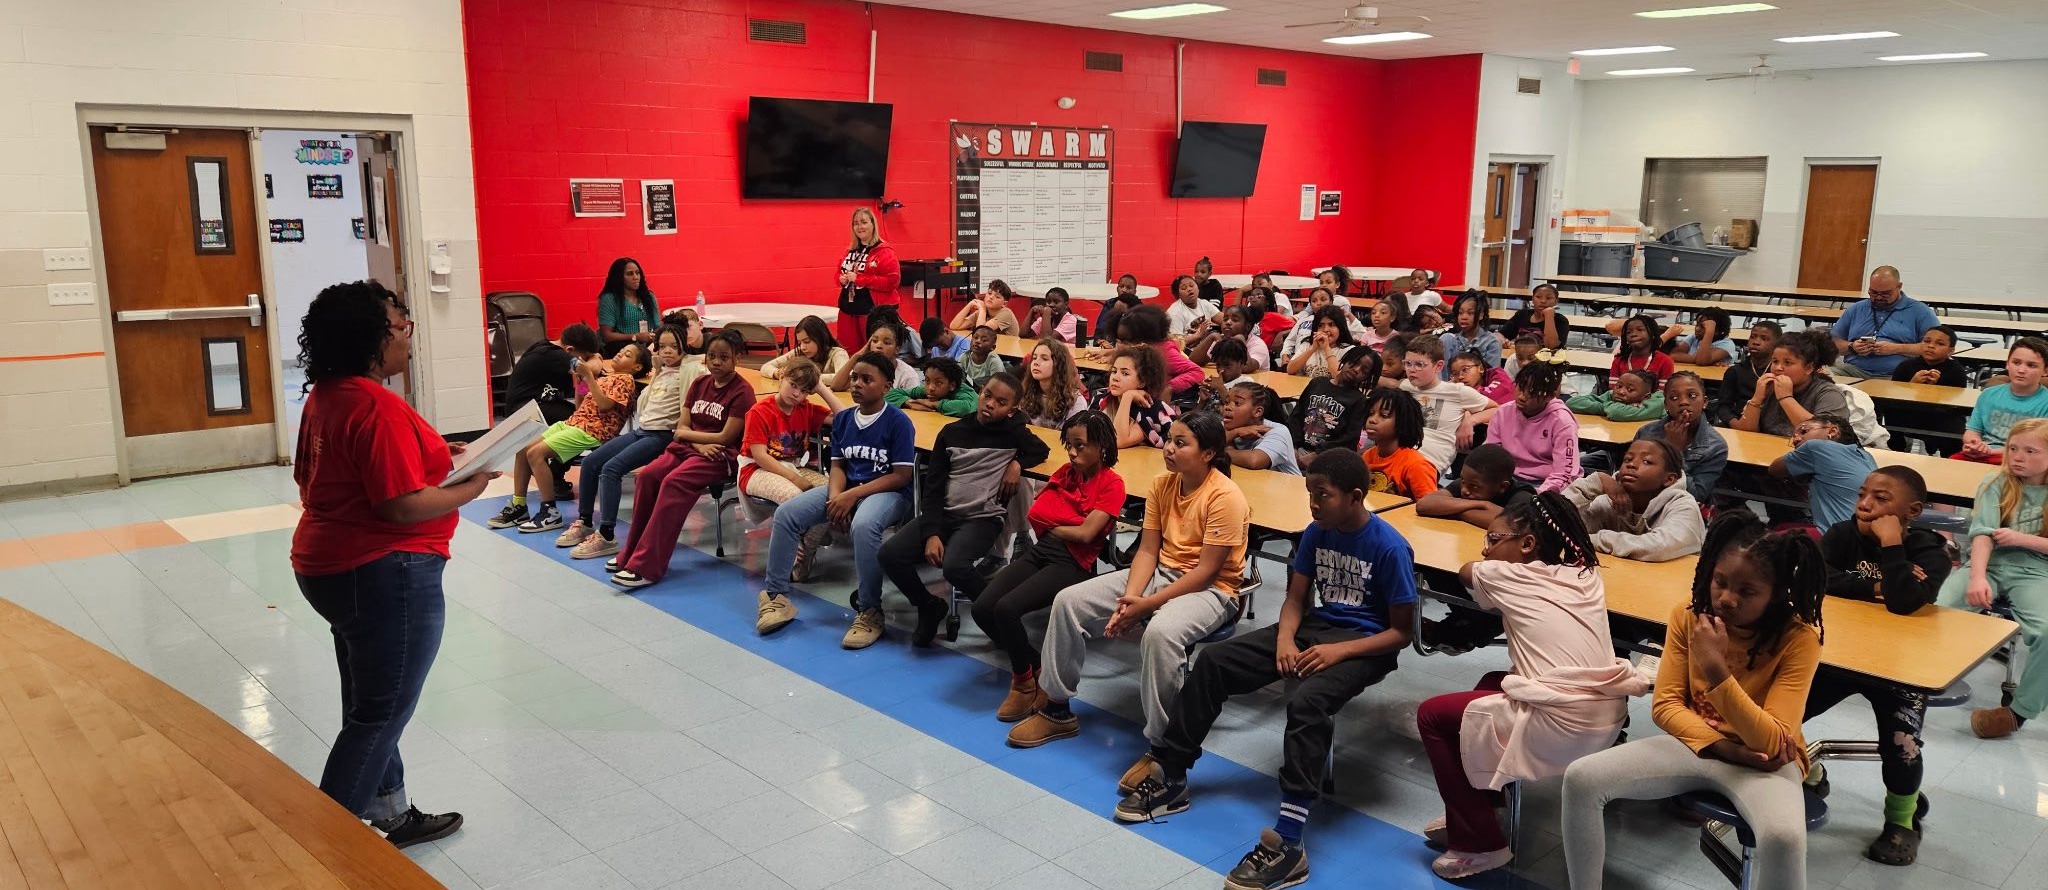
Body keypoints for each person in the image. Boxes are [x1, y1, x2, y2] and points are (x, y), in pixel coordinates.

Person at [1112, 449, 1411, 890]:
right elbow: (1295, 600)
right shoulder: (1316, 532)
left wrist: (1340, 652)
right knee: (1214, 661)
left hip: (1366, 645)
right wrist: (1286, 639)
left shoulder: (1389, 547)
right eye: (1310, 493)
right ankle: (1172, 774)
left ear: (1354, 496)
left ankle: (1289, 841)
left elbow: (1401, 633)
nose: (1313, 503)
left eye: (1323, 495)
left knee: (1308, 703)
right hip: (1314, 629)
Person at [291, 280, 482, 848]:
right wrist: (470, 487)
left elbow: (328, 475)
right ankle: (325, 855)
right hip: (384, 571)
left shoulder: (329, 395)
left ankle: (392, 813)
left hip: (329, 566)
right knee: (380, 714)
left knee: (369, 700)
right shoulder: (376, 406)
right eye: (401, 328)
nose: (408, 338)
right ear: (372, 338)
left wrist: (436, 458)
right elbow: (399, 505)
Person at [1562, 509, 1826, 890]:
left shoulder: (1799, 638)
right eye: (1720, 581)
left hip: (1766, 764)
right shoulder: (1689, 616)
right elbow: (1665, 706)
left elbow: (1772, 741)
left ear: (1776, 594)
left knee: (1784, 838)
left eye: (1748, 592)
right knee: (1581, 778)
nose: (1727, 599)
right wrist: (1724, 748)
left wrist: (1716, 669)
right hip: (1700, 746)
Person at [1007, 413, 1249, 799]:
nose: (1169, 448)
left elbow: (1206, 572)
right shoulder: (1162, 484)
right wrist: (1129, 600)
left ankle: (1163, 749)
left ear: (1208, 454)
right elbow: (1148, 550)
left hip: (1212, 591)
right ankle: (1057, 709)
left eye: (1181, 443)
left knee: (1161, 634)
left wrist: (1146, 605)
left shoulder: (1226, 497)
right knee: (1068, 601)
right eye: (1169, 439)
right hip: (1159, 574)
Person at [1418, 494, 1648, 879]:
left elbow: (1466, 571)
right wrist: (1506, 531)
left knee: (1432, 716)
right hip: (1607, 720)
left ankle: (1480, 845)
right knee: (1490, 685)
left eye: (1493, 540)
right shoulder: (1586, 575)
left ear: (1527, 544)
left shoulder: (1502, 575)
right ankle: (1482, 807)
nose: (1485, 549)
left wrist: (1493, 542)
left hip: (1564, 728)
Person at [1808, 465, 1950, 865]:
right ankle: (1809, 773)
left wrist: (1891, 545)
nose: (1865, 504)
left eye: (1881, 499)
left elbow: (1904, 602)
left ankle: (1902, 820)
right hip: (1839, 656)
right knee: (1777, 712)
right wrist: (1875, 586)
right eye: (1862, 494)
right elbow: (1814, 578)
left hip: (1900, 667)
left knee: (1902, 746)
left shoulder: (1931, 552)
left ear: (1912, 511)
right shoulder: (1842, 535)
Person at [755, 353, 917, 648]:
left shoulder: (898, 422)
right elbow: (839, 466)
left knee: (863, 526)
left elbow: (901, 475)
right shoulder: (844, 420)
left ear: (886, 386)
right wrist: (834, 501)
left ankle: (870, 610)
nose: (857, 384)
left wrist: (849, 497)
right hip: (847, 488)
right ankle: (777, 597)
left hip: (888, 493)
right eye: (854, 378)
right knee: (788, 514)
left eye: (866, 379)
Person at [975, 411, 1126, 721]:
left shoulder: (1112, 484)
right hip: (1043, 549)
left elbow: (1086, 535)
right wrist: (1070, 521)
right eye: (1069, 444)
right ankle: (1035, 666)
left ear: (1101, 446)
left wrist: (1057, 523)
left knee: (1006, 609)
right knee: (982, 608)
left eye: (1080, 445)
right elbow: (1036, 514)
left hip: (1073, 562)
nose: (1072, 452)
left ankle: (1022, 683)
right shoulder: (1066, 473)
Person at [879, 372, 1050, 646]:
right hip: (944, 514)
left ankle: (996, 620)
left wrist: (1017, 463)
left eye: (1001, 402)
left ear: (1012, 410)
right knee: (890, 554)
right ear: (980, 393)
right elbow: (933, 489)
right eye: (987, 395)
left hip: (982, 520)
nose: (990, 404)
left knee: (954, 566)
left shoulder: (1013, 433)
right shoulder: (952, 432)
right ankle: (929, 606)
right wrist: (933, 533)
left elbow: (1041, 450)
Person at [606, 330, 756, 586]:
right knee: (648, 476)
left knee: (673, 482)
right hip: (692, 448)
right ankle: (630, 552)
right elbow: (680, 428)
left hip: (720, 456)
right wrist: (697, 443)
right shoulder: (699, 384)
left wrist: (692, 439)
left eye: (724, 357)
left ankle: (647, 567)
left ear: (737, 358)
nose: (716, 362)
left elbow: (725, 437)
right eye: (712, 356)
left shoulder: (743, 392)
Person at [1939, 417, 2048, 739]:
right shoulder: (1995, 482)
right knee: (1938, 611)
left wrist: (2022, 539)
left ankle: (2019, 712)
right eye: (2013, 448)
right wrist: (1977, 578)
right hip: (1989, 564)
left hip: (2036, 571)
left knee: (2046, 632)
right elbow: (1982, 535)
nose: (2017, 457)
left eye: (2030, 451)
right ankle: (1916, 680)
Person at [557, 325, 687, 558]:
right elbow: (584, 397)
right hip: (641, 430)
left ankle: (607, 535)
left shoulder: (687, 372)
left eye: (674, 346)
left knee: (611, 469)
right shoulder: (660, 372)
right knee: (590, 463)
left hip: (661, 435)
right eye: (662, 346)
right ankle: (585, 521)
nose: (667, 351)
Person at [492, 343, 647, 532]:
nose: (620, 354)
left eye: (627, 355)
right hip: (575, 422)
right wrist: (579, 381)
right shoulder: (606, 377)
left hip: (594, 430)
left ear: (637, 366)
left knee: (536, 454)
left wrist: (589, 376)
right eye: (621, 351)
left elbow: (605, 405)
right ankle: (519, 506)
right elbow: (580, 405)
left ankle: (549, 512)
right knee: (524, 449)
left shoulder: (625, 379)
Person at [737, 356, 842, 532]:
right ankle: (800, 540)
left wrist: (821, 388)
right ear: (782, 376)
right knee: (797, 499)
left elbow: (845, 418)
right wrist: (795, 479)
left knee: (833, 495)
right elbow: (760, 457)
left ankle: (807, 543)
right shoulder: (759, 412)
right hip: (756, 469)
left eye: (804, 391)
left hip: (794, 467)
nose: (796, 394)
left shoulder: (805, 408)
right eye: (793, 385)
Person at [1562, 438, 1706, 561]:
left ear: (1669, 479)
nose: (1631, 464)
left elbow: (1659, 547)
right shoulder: (1609, 499)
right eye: (1628, 459)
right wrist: (1594, 483)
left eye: (1646, 461)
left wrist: (1587, 540)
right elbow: (1558, 522)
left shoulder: (1684, 506)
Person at [1769, 412, 1878, 533]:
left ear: (1832, 431)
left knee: (1772, 540)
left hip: (1836, 536)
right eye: (1794, 436)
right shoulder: (1866, 455)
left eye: (1804, 431)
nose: (1796, 439)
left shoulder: (1815, 447)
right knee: (1783, 527)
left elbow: (1774, 469)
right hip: (1867, 535)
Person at [1400, 336, 1494, 473]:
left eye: (1419, 364)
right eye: (1407, 363)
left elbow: (1498, 409)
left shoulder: (1458, 392)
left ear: (1438, 366)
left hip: (1430, 462)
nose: (1411, 370)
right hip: (1401, 454)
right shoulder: (1405, 387)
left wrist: (1470, 420)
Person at [1732, 329, 1850, 436]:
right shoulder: (1769, 388)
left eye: (1787, 363)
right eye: (1775, 361)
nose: (1778, 368)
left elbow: (1824, 435)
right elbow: (1745, 434)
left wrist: (1785, 398)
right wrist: (1757, 399)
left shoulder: (1829, 393)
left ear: (1808, 368)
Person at [1633, 371, 1727, 503]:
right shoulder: (1647, 432)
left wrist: (1674, 452)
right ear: (1666, 405)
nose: (1683, 402)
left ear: (1705, 402)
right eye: (1674, 397)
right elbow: (1631, 477)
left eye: (1692, 395)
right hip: (1642, 501)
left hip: (1681, 506)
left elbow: (1696, 495)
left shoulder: (1715, 445)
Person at [1489, 359, 1580, 494]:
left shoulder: (1562, 422)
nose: (1521, 396)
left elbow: (1564, 474)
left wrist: (1537, 495)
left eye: (1531, 392)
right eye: (1520, 387)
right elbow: (1489, 456)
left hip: (1543, 483)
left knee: (1520, 503)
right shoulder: (1503, 412)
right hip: (1509, 479)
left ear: (1549, 396)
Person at [1831, 266, 1938, 379]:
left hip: (1898, 374)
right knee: (1822, 376)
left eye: (1885, 293)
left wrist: (1896, 348)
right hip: (1853, 371)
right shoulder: (1856, 309)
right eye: (1873, 292)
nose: (1878, 297)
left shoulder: (1921, 311)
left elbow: (1935, 348)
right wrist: (1852, 347)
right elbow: (1833, 343)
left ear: (1899, 286)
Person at [1956, 336, 2048, 464]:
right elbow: (1973, 430)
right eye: (2016, 363)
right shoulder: (1988, 394)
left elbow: (2038, 447)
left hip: (2022, 459)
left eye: (2031, 365)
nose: (2021, 370)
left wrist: (1989, 452)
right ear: (2007, 364)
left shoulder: (2045, 402)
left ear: (2045, 371)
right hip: (1983, 452)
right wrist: (1974, 444)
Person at [1288, 346, 1375, 466]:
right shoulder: (1317, 383)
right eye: (1354, 362)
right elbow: (1296, 416)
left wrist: (1317, 455)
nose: (1356, 369)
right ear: (1346, 359)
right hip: (1298, 449)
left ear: (1367, 377)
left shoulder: (1359, 400)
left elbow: (1349, 439)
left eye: (1364, 371)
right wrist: (1293, 446)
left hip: (1328, 457)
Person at [1884, 325, 1966, 453]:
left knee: (1955, 430)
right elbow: (1894, 397)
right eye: (1927, 341)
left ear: (1951, 351)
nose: (1931, 346)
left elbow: (1958, 403)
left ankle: (1950, 459)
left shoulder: (1956, 370)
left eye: (1939, 343)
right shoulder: (1906, 366)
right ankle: (1896, 452)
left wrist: (1935, 389)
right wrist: (1912, 385)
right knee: (1890, 414)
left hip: (1941, 416)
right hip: (1908, 413)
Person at [506, 322, 603, 425]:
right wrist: (596, 357)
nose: (586, 360)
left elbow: (583, 380)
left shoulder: (549, 349)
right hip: (524, 412)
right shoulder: (553, 355)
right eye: (586, 358)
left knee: (582, 414)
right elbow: (588, 369)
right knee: (583, 420)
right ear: (569, 349)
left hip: (539, 404)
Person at [1416, 444, 1531, 528]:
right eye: (1463, 481)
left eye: (1475, 487)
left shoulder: (1522, 496)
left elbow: (1510, 526)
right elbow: (1423, 505)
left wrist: (1450, 510)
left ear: (1502, 487)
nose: (1464, 490)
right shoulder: (1468, 482)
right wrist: (1482, 505)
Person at [835, 206, 901, 348]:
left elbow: (893, 281)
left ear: (873, 224)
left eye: (864, 222)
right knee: (847, 350)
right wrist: (841, 279)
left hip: (871, 311)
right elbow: (838, 273)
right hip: (848, 309)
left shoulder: (884, 251)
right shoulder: (850, 250)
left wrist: (860, 279)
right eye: (856, 223)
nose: (859, 227)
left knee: (872, 351)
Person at [1093, 345, 1178, 449]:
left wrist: (1127, 397)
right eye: (1114, 371)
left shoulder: (1150, 409)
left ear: (1142, 382)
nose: (1115, 378)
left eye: (1125, 373)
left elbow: (1118, 441)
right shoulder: (1101, 400)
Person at [1360, 387, 1438, 497]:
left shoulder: (1416, 465)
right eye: (1371, 413)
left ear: (1403, 422)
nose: (1372, 420)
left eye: (1384, 415)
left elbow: (1429, 505)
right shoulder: (1367, 456)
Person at [1712, 320, 1781, 426]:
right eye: (1753, 337)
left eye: (1764, 338)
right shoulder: (1735, 371)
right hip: (1739, 421)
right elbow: (1723, 406)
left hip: (1770, 426)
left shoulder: (1780, 372)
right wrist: (1735, 424)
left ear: (1777, 344)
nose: (1756, 342)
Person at [1221, 381, 1299, 475]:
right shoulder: (1226, 426)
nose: (1227, 407)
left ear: (1257, 412)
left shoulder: (1277, 431)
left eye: (1237, 403)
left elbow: (1254, 461)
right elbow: (1205, 444)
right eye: (1227, 402)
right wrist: (1235, 433)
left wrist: (1225, 450)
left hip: (1288, 484)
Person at [829, 319, 921, 392]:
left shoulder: (907, 375)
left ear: (897, 349)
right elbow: (836, 386)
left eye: (886, 342)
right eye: (875, 341)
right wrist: (858, 355)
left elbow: (914, 404)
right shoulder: (863, 366)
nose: (879, 345)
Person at [595, 257, 658, 357]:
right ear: (619, 277)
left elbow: (658, 326)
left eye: (637, 273)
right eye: (630, 274)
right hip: (622, 349)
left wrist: (655, 336)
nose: (636, 277)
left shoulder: (649, 296)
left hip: (649, 346)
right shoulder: (609, 299)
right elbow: (607, 335)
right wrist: (635, 337)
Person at [1017, 339, 1088, 428]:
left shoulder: (1076, 401)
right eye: (1034, 358)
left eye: (1044, 359)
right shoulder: (1025, 392)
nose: (1036, 363)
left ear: (1059, 365)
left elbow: (1073, 434)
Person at [760, 315, 850, 381]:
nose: (802, 347)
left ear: (820, 338)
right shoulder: (798, 352)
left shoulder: (838, 354)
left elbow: (842, 378)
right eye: (799, 343)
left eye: (807, 341)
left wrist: (804, 377)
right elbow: (765, 367)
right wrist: (778, 373)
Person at [886, 355, 978, 417]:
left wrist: (933, 404)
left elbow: (966, 408)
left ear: (952, 385)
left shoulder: (963, 391)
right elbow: (888, 394)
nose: (930, 388)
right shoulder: (925, 390)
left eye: (938, 383)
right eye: (927, 380)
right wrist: (908, 403)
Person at [1284, 306, 1360, 379]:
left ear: (1340, 328)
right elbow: (1290, 370)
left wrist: (1326, 348)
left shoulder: (1349, 350)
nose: (1326, 330)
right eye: (1320, 326)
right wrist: (1312, 348)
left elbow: (1340, 378)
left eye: (1331, 325)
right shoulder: (1307, 345)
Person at [1187, 305, 1271, 370]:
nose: (1228, 322)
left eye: (1235, 320)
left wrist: (1240, 341)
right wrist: (1210, 337)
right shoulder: (1220, 340)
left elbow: (1246, 368)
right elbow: (1194, 361)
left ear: (1247, 326)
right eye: (1225, 319)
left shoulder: (1257, 344)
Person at [1566, 369, 1666, 422]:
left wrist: (1608, 407)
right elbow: (1572, 403)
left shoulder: (1658, 403)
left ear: (1646, 397)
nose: (1621, 391)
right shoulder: (1614, 395)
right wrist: (1606, 406)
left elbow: (1615, 412)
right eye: (1619, 386)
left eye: (1630, 389)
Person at [1495, 282, 1570, 350]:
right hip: (1523, 356)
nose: (1543, 301)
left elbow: (1551, 347)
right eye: (1538, 297)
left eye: (1548, 298)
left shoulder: (1561, 321)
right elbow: (1500, 334)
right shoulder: (1522, 314)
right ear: (1533, 299)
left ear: (1556, 301)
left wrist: (1549, 316)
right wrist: (1503, 341)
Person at [1608, 314, 1675, 390]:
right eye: (1628, 332)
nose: (1633, 334)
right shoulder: (1619, 360)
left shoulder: (1665, 361)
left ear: (1652, 334)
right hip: (1621, 397)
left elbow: (1663, 392)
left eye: (1640, 330)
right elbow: (1613, 389)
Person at [1439, 291, 1501, 369]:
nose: (1464, 317)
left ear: (1481, 315)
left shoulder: (1492, 342)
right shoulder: (1451, 340)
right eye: (1460, 313)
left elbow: (1493, 373)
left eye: (1470, 313)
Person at [1671, 307, 1737, 367]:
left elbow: (1701, 361)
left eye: (1703, 327)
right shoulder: (1694, 337)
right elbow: (1673, 355)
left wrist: (1709, 332)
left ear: (1717, 331)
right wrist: (1702, 360)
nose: (1697, 329)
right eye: (1697, 324)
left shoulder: (1727, 344)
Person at [951, 280, 1020, 335]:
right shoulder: (983, 311)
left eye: (997, 296)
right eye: (989, 293)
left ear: (1004, 304)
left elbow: (981, 333)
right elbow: (954, 326)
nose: (991, 297)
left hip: (1008, 347)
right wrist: (969, 305)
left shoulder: (1006, 314)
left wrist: (982, 310)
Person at [961, 324, 1008, 389]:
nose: (977, 341)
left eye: (984, 340)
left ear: (992, 347)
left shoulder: (994, 362)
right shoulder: (965, 357)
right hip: (969, 389)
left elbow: (997, 387)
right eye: (975, 337)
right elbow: (959, 378)